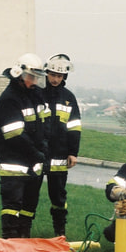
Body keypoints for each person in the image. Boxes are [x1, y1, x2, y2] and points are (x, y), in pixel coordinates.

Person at [0, 53, 48, 239]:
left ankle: (25, 245)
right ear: (19, 74)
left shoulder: (35, 96)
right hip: (14, 166)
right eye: (31, 77)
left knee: (29, 209)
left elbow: (43, 126)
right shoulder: (8, 100)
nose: (34, 82)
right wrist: (37, 154)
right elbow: (15, 136)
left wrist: (44, 149)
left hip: (33, 165)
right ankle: (10, 246)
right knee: (12, 209)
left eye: (36, 78)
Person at [41, 53, 81, 236]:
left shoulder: (68, 98)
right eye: (52, 75)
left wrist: (73, 152)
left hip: (59, 154)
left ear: (64, 76)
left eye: (59, 76)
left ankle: (60, 232)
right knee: (30, 193)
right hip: (38, 153)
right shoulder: (37, 94)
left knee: (58, 195)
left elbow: (74, 128)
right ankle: (22, 232)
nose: (55, 79)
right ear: (46, 73)